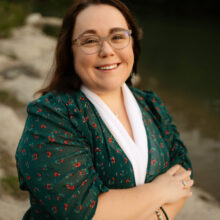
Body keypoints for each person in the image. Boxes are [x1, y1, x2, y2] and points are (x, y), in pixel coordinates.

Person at [15, 0, 194, 219]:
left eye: (118, 37)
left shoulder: (150, 104)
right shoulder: (52, 116)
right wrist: (160, 190)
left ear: (133, 44)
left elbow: (183, 174)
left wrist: (160, 215)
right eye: (90, 41)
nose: (107, 51)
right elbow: (79, 212)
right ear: (70, 52)